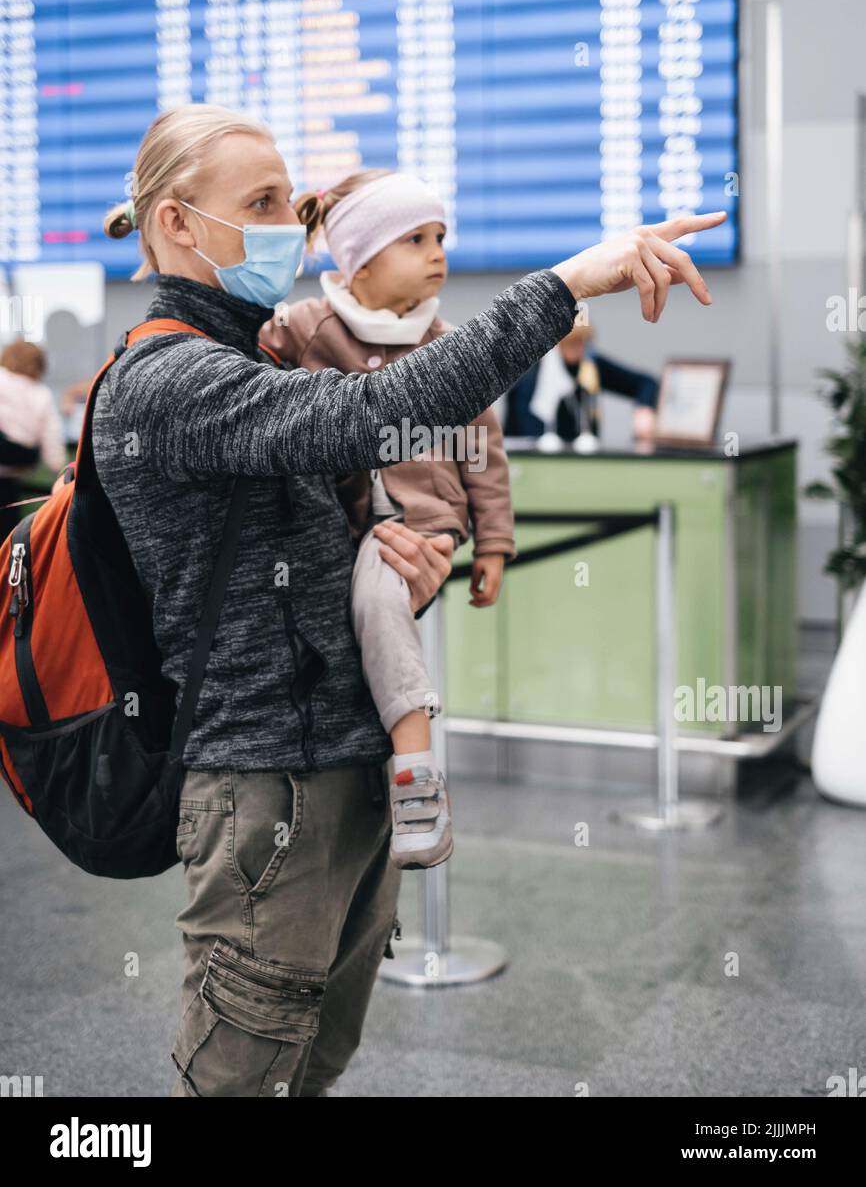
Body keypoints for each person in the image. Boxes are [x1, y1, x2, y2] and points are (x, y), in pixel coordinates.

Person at [97, 102, 721, 1098]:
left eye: (288, 204)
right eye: (258, 205)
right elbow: (371, 410)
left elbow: (303, 547)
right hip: (267, 789)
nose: (282, 231)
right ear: (176, 223)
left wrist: (397, 567)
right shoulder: (170, 380)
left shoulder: (251, 353)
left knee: (313, 1060)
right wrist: (565, 285)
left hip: (343, 766)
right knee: (243, 1074)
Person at [259, 170, 515, 872]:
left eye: (440, 238)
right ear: (360, 260)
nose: (438, 253)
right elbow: (249, 373)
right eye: (416, 239)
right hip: (336, 526)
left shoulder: (448, 342)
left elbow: (483, 454)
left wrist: (492, 544)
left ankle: (415, 776)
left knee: (376, 598)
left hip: (422, 522)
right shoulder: (307, 328)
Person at [504, 318, 660, 447]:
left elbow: (647, 383)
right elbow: (519, 431)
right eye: (572, 344)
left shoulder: (590, 365)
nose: (579, 351)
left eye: (583, 344)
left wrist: (644, 409)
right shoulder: (530, 378)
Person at [0, 340, 67, 541]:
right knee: (7, 535)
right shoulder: (41, 394)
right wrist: (60, 470)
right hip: (15, 472)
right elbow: (51, 436)